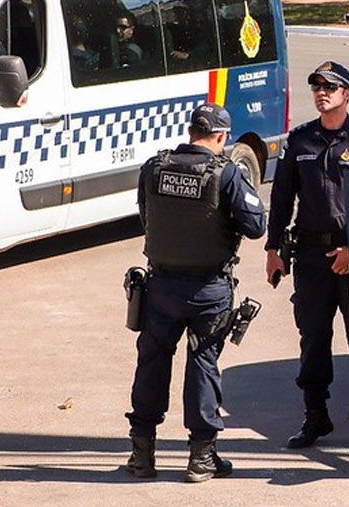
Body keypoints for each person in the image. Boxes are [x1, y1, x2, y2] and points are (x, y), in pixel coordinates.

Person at [125, 103, 266, 482]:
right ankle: (201, 458)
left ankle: (142, 455)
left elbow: (145, 216)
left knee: (152, 363)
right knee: (203, 365)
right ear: (220, 137)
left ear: (191, 131)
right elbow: (256, 226)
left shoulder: (154, 167)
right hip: (208, 289)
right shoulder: (227, 174)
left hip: (161, 286)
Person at [265, 61, 349, 453]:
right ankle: (315, 416)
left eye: (331, 87)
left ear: (347, 94)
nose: (322, 93)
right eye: (316, 86)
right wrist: (272, 248)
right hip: (311, 255)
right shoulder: (300, 141)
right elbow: (282, 195)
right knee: (313, 338)